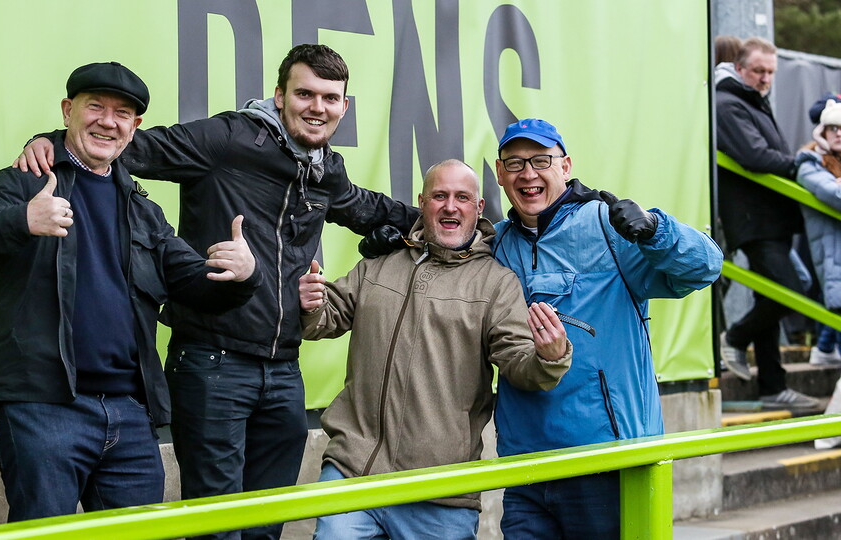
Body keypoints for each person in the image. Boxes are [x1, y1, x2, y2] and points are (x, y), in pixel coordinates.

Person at [15, 45, 418, 539]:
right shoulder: (226, 138)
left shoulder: (324, 169)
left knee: (265, 527)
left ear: (344, 106)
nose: (318, 107)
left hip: (284, 371)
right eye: (305, 94)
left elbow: (366, 208)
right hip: (212, 363)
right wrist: (51, 142)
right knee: (216, 529)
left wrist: (441, 220)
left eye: (330, 98)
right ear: (279, 95)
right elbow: (127, 145)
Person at [0, 62, 260, 522]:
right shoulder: (25, 180)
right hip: (43, 407)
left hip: (131, 414)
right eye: (95, 106)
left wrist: (242, 275)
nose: (107, 121)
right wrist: (21, 221)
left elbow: (193, 285)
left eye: (122, 114)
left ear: (134, 129)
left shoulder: (143, 208)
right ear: (68, 111)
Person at [298, 159, 572, 539]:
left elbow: (520, 364)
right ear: (422, 202)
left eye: (462, 197)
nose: (450, 206)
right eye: (439, 196)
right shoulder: (380, 262)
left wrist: (550, 356)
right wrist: (311, 303)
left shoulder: (496, 283)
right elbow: (327, 318)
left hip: (440, 492)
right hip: (352, 472)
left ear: (478, 209)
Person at [490, 118, 722, 538]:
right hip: (525, 465)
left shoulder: (606, 226)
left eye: (541, 159)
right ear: (500, 173)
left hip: (607, 461)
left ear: (565, 166)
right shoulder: (496, 244)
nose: (528, 173)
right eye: (515, 162)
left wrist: (654, 229)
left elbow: (705, 267)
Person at [715, 36, 821, 410]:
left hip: (769, 219)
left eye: (771, 72)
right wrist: (799, 164)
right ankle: (736, 338)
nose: (765, 78)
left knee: (772, 294)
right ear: (740, 68)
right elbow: (755, 156)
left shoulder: (748, 101)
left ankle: (773, 387)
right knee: (789, 290)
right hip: (753, 220)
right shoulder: (728, 103)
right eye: (759, 70)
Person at [799, 96, 841, 366]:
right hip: (833, 256)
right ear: (822, 131)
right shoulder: (809, 163)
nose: (838, 133)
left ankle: (824, 349)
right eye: (833, 128)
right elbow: (835, 194)